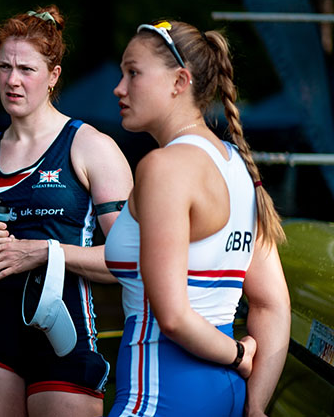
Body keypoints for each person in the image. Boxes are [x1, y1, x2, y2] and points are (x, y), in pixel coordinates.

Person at [105, 20, 290, 416]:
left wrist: (238, 353)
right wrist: (255, 405)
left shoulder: (164, 167)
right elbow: (273, 305)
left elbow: (171, 316)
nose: (119, 88)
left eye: (133, 73)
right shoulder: (237, 166)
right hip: (226, 396)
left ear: (179, 81)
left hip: (159, 394)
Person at [0, 6, 133, 417]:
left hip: (64, 336)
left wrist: (44, 251)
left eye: (26, 69)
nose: (12, 80)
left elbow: (133, 260)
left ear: (53, 76)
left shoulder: (91, 147)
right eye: (4, 67)